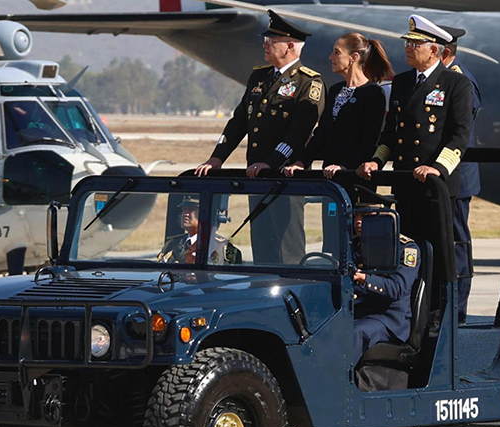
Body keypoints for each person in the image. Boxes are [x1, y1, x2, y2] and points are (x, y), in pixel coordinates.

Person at [195, 10, 324, 265]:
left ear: (289, 46)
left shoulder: (309, 82)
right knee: (262, 248)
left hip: (284, 179)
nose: (265, 44)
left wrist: (272, 163)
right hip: (256, 176)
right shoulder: (259, 76)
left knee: (288, 251)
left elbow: (299, 133)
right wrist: (217, 157)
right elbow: (239, 121)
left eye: (271, 41)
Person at [356, 15, 473, 254]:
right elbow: (391, 133)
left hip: (434, 185)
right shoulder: (401, 82)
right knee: (407, 253)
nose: (408, 48)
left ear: (433, 50)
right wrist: (376, 161)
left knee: (437, 255)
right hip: (404, 181)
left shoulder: (455, 83)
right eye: (407, 43)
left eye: (415, 44)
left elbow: (459, 135)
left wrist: (437, 168)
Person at [282, 32, 392, 253]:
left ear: (353, 57)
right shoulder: (335, 91)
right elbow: (321, 134)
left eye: (336, 52)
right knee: (333, 242)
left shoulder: (373, 94)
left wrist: (346, 167)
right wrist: (301, 162)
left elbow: (369, 140)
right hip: (331, 181)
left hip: (356, 180)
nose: (330, 57)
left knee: (356, 244)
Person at [440, 31, 480, 322]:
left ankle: (458, 308)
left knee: (456, 243)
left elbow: (460, 126)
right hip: (440, 175)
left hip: (456, 174)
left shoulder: (459, 78)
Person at [352, 204, 420, 355]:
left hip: (387, 318)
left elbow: (397, 289)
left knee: (356, 333)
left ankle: (337, 377)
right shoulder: (354, 245)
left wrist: (364, 278)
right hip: (356, 312)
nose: (358, 221)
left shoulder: (405, 249)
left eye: (365, 216)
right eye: (356, 215)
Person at [158, 196, 242, 265]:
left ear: (204, 213)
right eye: (184, 209)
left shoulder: (222, 247)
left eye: (191, 210)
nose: (185, 214)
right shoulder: (172, 244)